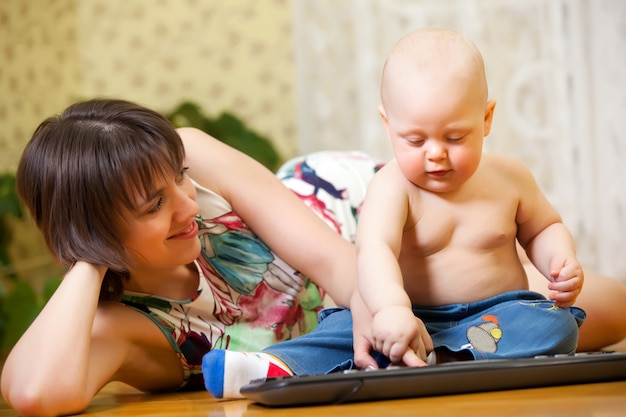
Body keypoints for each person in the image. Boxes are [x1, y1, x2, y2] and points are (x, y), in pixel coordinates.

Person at [201, 27, 595, 398]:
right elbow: (375, 252)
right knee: (344, 330)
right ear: (388, 126)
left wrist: (558, 261)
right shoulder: (393, 187)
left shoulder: (510, 177)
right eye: (415, 139)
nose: (436, 152)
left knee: (556, 324)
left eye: (455, 137)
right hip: (406, 315)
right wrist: (391, 309)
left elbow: (544, 227)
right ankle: (267, 367)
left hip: (495, 316)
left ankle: (442, 360)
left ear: (486, 119)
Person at [0, 98, 378, 417]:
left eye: (180, 176)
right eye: (154, 206)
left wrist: (382, 310)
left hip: (354, 208)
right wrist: (88, 255)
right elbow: (34, 394)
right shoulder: (120, 324)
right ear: (96, 235)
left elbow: (336, 263)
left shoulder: (195, 154)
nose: (188, 206)